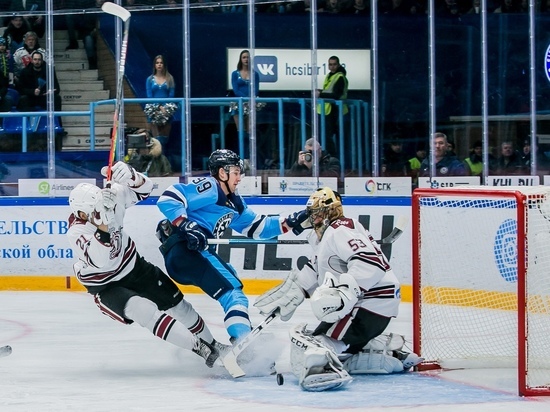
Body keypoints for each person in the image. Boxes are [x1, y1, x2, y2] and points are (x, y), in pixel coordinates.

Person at [254, 187, 423, 392]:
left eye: (316, 213)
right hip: (371, 305)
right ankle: (384, 353)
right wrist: (295, 292)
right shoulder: (325, 236)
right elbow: (315, 271)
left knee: (314, 345)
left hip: (369, 304)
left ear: (329, 212)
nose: (312, 218)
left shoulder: (340, 229)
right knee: (317, 341)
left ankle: (323, 370)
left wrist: (345, 292)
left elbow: (371, 263)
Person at [66, 163, 226, 368]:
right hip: (107, 286)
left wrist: (132, 177)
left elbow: (145, 190)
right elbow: (103, 260)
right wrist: (103, 225)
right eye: (92, 211)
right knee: (143, 310)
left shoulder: (111, 197)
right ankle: (200, 349)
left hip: (134, 267)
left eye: (99, 205)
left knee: (179, 306)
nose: (98, 209)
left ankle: (214, 345)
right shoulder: (76, 232)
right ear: (81, 214)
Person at [155, 149, 309, 342]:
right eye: (235, 172)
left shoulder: (235, 204)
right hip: (187, 249)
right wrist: (185, 224)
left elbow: (257, 228)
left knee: (232, 282)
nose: (239, 178)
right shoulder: (211, 187)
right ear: (222, 173)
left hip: (188, 257)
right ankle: (244, 341)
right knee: (233, 295)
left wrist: (290, 222)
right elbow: (169, 198)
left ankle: (243, 335)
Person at [229, 50, 263, 158]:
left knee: (250, 132)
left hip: (251, 104)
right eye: (244, 57)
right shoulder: (235, 74)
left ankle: (250, 158)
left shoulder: (255, 74)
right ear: (241, 59)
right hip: (238, 104)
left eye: (248, 57)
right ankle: (241, 157)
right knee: (241, 131)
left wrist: (250, 100)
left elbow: (256, 90)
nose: (246, 59)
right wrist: (243, 99)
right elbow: (235, 89)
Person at [316, 55, 348, 158]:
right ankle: (329, 158)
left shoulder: (340, 77)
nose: (332, 67)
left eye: (334, 64)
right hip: (327, 110)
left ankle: (333, 159)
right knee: (325, 137)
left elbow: (336, 95)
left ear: (338, 65)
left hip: (336, 110)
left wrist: (320, 94)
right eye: (330, 64)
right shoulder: (330, 76)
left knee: (330, 137)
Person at [143, 54, 177, 146]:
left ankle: (164, 159)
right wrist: (158, 107)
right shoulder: (149, 79)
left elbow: (171, 96)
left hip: (166, 111)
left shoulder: (170, 79)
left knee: (165, 140)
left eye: (161, 63)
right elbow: (149, 96)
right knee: (156, 141)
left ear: (164, 65)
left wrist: (165, 109)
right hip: (154, 111)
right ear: (154, 65)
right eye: (157, 63)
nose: (159, 65)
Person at [64, 0, 99, 69]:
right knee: (69, 15)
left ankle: (92, 62)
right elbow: (71, 7)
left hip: (92, 27)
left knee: (89, 40)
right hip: (83, 24)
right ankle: (73, 42)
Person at [0, 38, 14, 114]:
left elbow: (11, 70)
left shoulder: (9, 56)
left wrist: (11, 83)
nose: (2, 47)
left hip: (8, 78)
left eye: (3, 45)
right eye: (0, 45)